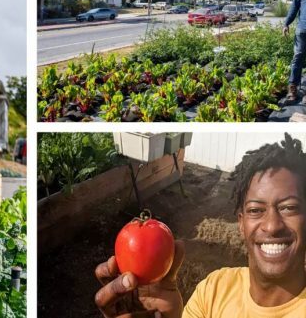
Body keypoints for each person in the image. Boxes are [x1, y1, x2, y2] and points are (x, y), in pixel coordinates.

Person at [94, 133, 306, 317]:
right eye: (255, 210)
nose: (271, 225)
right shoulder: (214, 289)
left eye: (289, 208)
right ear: (241, 223)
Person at [283, 0, 306, 103]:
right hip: (302, 30)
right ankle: (292, 88)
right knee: (297, 57)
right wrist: (286, 23)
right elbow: (295, 7)